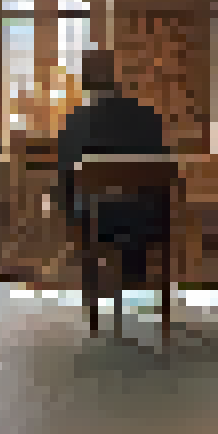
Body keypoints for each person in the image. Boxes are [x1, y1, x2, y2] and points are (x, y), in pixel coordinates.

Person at [54, 49, 171, 284]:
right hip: (147, 219)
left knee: (74, 198)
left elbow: (66, 175)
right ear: (115, 76)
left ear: (86, 80)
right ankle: (135, 281)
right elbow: (166, 169)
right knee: (137, 204)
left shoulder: (76, 120)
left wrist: (69, 216)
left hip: (97, 220)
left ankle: (94, 278)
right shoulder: (148, 116)